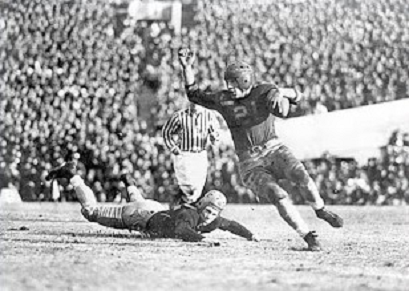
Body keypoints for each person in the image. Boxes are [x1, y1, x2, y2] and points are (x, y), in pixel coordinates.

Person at [178, 48, 343, 251]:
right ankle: (308, 235)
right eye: (227, 82)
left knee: (301, 175)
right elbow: (193, 93)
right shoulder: (222, 99)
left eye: (233, 83)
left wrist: (282, 92)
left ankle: (320, 209)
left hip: (274, 148)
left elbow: (298, 95)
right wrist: (186, 68)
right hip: (249, 161)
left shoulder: (264, 90)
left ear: (245, 81)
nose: (229, 87)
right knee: (277, 194)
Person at [45, 161, 259, 243]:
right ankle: (73, 176)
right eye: (209, 211)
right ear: (201, 206)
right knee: (91, 212)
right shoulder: (190, 215)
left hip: (153, 210)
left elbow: (230, 225)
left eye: (214, 213)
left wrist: (249, 235)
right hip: (141, 216)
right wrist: (201, 240)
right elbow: (183, 230)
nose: (211, 216)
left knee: (138, 201)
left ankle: (128, 182)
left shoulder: (211, 220)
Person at [162, 102, 219, 208]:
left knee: (197, 189)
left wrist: (214, 138)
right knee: (188, 187)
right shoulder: (179, 115)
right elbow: (166, 132)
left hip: (200, 154)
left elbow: (215, 132)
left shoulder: (209, 115)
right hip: (185, 154)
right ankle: (176, 206)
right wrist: (173, 147)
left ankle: (185, 210)